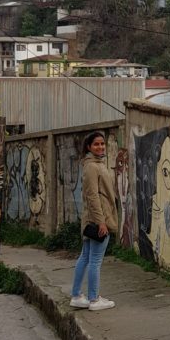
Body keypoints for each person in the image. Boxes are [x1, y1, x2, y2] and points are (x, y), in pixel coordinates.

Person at [70, 130, 118, 312]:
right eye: (96, 144)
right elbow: (92, 196)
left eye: (102, 143)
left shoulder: (96, 164)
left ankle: (76, 295)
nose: (100, 147)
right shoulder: (92, 166)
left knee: (86, 256)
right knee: (95, 260)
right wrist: (101, 222)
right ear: (89, 147)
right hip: (98, 219)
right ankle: (94, 299)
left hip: (93, 219)